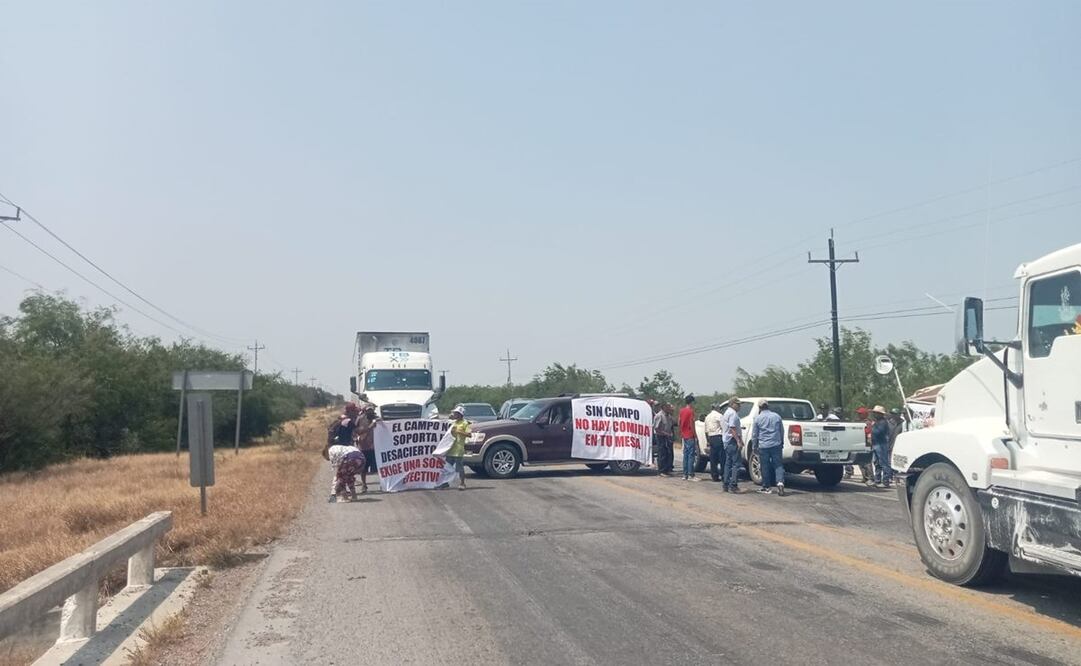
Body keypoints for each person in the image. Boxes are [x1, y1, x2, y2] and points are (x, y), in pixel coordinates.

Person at [751, 399, 785, 495]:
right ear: (768, 406)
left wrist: (754, 446)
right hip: (776, 444)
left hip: (763, 445)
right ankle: (780, 483)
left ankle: (767, 487)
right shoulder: (777, 416)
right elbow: (781, 431)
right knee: (778, 465)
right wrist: (781, 442)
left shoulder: (758, 418)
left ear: (760, 407)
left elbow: (755, 434)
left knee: (764, 466)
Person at [721, 396, 744, 493]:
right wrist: (738, 440)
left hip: (726, 440)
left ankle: (725, 484)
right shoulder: (733, 414)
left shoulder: (726, 413)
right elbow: (733, 428)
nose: (739, 406)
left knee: (728, 463)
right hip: (732, 440)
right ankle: (733, 485)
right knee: (736, 464)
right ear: (732, 404)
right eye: (738, 404)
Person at [446, 406, 471, 490]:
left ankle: (462, 483)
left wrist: (460, 431)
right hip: (450, 449)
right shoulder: (453, 422)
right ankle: (444, 483)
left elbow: (469, 434)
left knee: (459, 467)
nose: (454, 414)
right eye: (454, 413)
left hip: (458, 449)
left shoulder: (465, 423)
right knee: (447, 467)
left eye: (456, 413)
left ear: (460, 414)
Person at [870, 405, 893, 488]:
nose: (874, 414)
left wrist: (872, 427)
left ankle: (886, 481)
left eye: (876, 413)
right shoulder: (877, 422)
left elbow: (878, 432)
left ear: (880, 414)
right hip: (876, 444)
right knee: (876, 463)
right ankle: (877, 480)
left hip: (881, 444)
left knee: (883, 463)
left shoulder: (883, 422)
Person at [679, 395, 700, 481]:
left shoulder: (681, 411)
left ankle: (685, 474)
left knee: (685, 455)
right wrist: (695, 435)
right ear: (691, 402)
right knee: (691, 455)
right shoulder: (690, 412)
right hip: (690, 434)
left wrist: (681, 431)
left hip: (684, 435)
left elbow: (679, 421)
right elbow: (692, 424)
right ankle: (691, 474)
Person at [703, 403, 726, 482]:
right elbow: (724, 427)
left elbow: (706, 431)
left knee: (713, 458)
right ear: (717, 408)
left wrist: (708, 441)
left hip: (711, 437)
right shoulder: (719, 416)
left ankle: (714, 475)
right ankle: (723, 475)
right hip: (718, 437)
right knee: (722, 457)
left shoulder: (707, 417)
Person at [355, 406, 379, 478]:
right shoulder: (360, 419)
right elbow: (357, 431)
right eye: (368, 411)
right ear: (365, 411)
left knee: (377, 467)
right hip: (363, 446)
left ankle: (383, 484)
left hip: (375, 447)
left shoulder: (377, 419)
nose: (370, 413)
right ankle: (364, 484)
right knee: (363, 467)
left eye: (371, 411)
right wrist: (370, 426)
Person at [654, 403, 675, 476]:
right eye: (668, 407)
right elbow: (656, 428)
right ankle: (661, 471)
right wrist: (665, 433)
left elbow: (673, 424)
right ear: (663, 407)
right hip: (661, 437)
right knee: (662, 453)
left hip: (667, 436)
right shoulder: (659, 416)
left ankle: (666, 470)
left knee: (667, 453)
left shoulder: (668, 416)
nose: (669, 409)